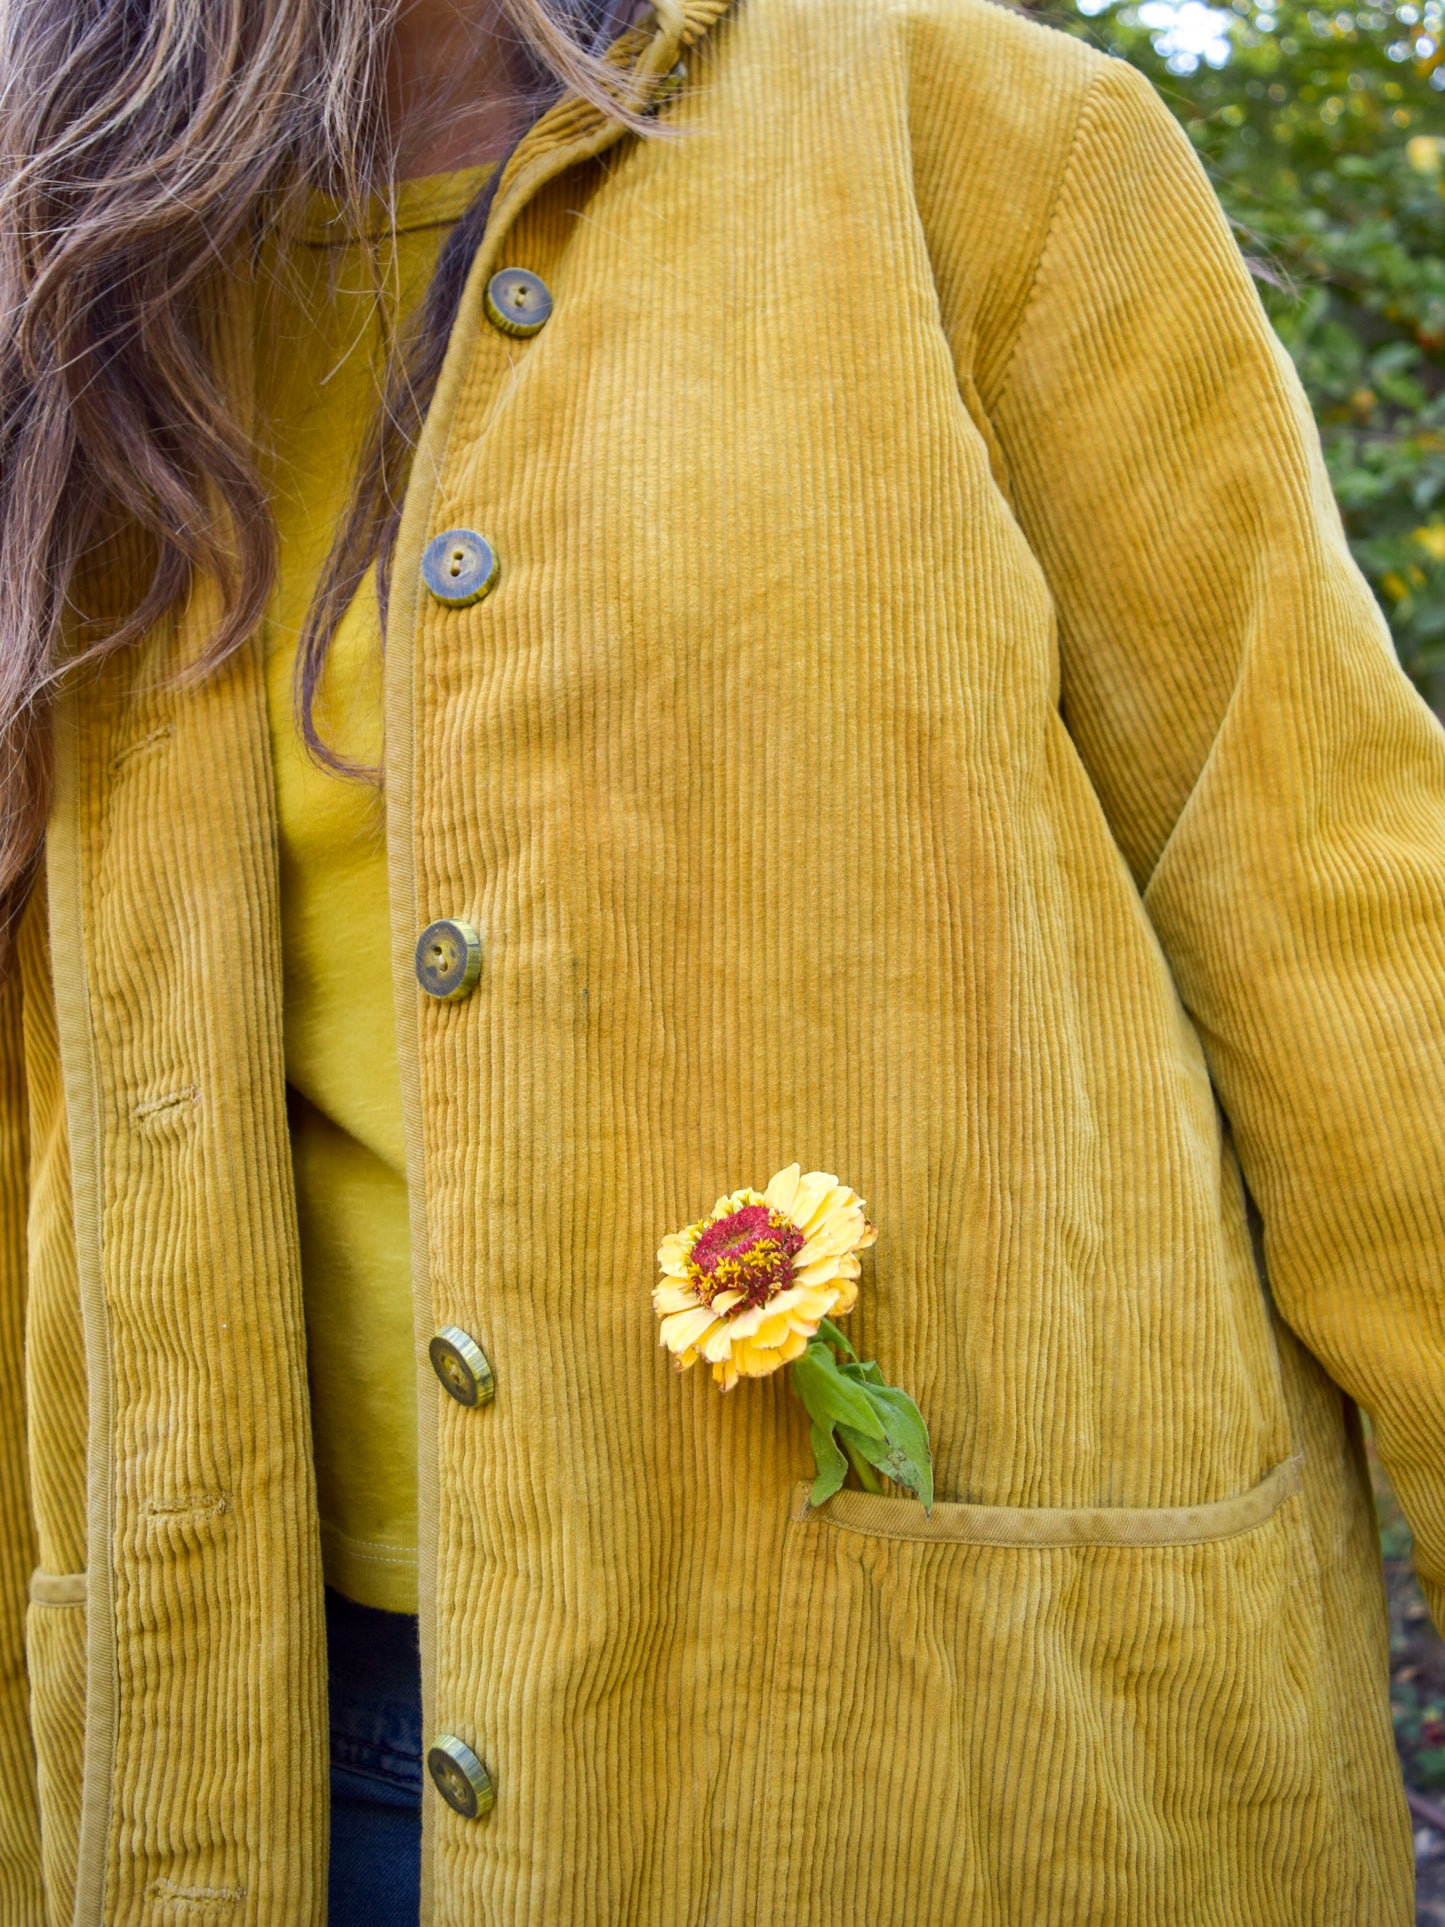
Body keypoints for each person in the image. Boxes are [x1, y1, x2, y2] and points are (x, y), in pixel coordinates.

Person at [0, 0, 1439, 1917]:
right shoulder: (72, 277)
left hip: (952, 1761)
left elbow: (1353, 937)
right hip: (217, 1750)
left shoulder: (981, 139)